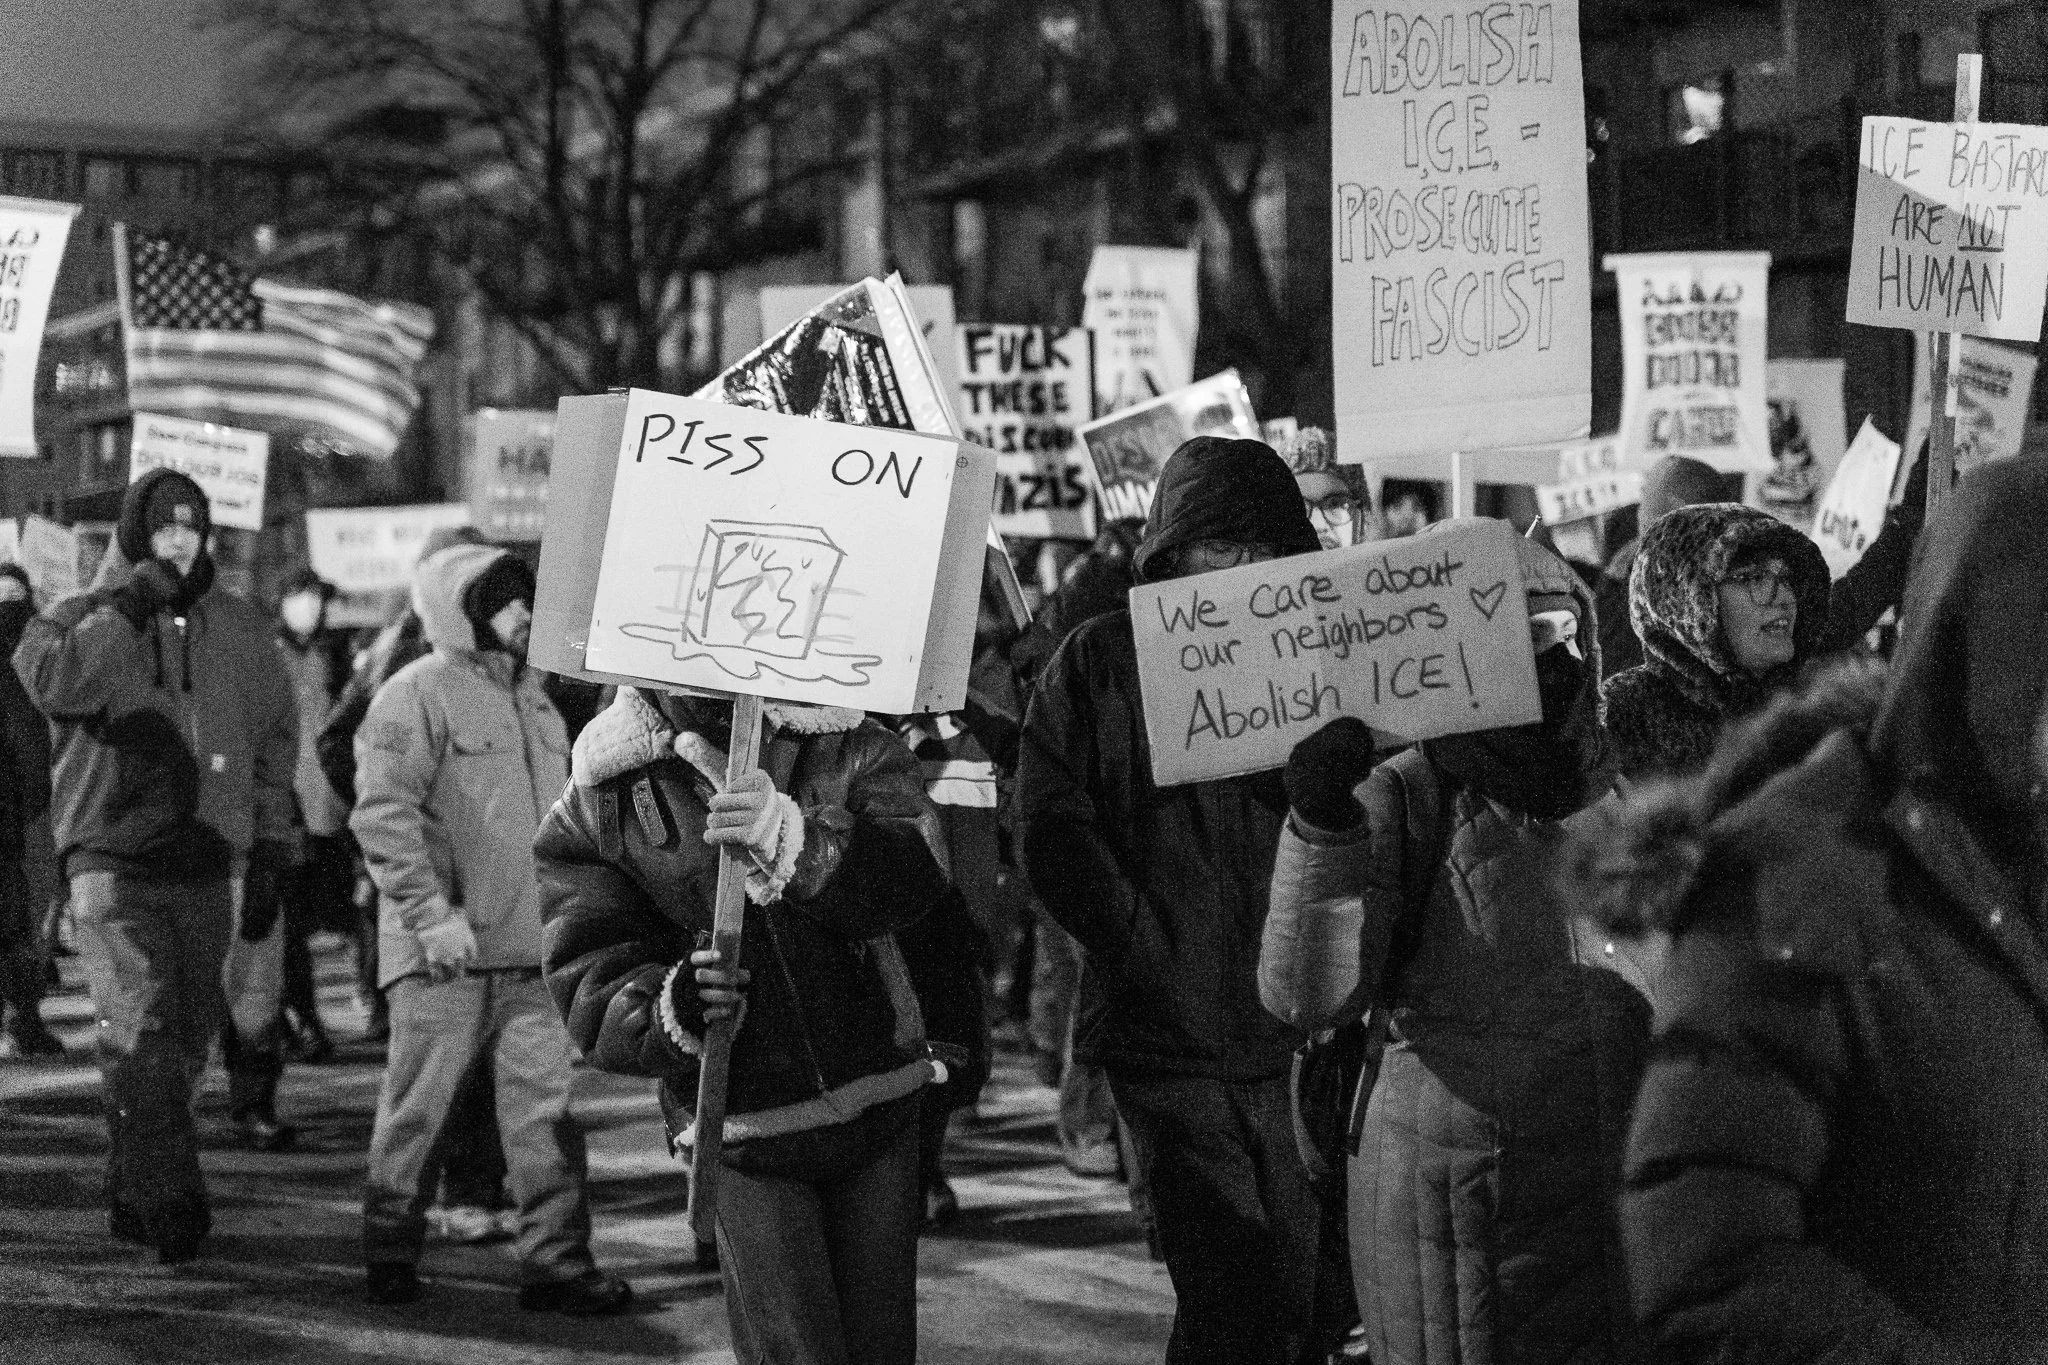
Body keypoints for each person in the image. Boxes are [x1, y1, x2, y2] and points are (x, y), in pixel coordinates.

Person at [1566, 455, 2048, 1358]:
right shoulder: (1792, 864)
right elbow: (1712, 1256)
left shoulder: (2005, 844)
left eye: (1785, 577)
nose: (1777, 597)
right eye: (1748, 577)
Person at [1258, 527, 1650, 1365]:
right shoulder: (1404, 795)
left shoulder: (1611, 787)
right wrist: (1321, 828)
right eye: (1529, 635)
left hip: (1601, 1200)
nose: (1559, 659)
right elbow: (1306, 993)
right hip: (1456, 1214)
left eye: (1569, 632)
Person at [1017, 435, 1324, 1365]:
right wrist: (1141, 937)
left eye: (1261, 545)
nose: (1240, 564)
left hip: (1295, 1032)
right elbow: (1050, 826)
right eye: (1219, 544)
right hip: (1165, 1039)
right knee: (1226, 1285)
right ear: (1172, 550)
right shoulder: (1099, 660)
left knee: (1299, 1296)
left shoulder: (1315, 653)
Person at [536, 685, 955, 1364]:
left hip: (878, 1099)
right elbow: (589, 971)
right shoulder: (603, 790)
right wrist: (674, 1005)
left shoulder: (846, 738)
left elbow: (919, 868)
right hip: (743, 1127)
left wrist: (797, 842)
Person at [13, 470, 299, 1261]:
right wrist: (128, 608)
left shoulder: (239, 626)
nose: (180, 540)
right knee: (138, 1029)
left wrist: (273, 845)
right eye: (165, 526)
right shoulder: (76, 617)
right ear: (136, 533)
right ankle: (171, 1196)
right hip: (112, 861)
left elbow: (275, 740)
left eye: (192, 527)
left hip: (208, 862)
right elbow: (55, 682)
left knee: (189, 1037)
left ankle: (133, 1185)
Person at [351, 542, 629, 1313]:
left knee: (546, 1118)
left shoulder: (537, 700)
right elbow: (382, 813)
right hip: (442, 954)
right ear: (465, 609)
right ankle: (389, 1252)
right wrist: (429, 915)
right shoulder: (414, 692)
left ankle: (558, 1264)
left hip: (530, 949)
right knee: (418, 1113)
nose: (522, 612)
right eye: (504, 600)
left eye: (524, 597)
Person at [274, 568, 352, 1063]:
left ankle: (297, 1016)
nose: (309, 607)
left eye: (315, 598)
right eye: (299, 597)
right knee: (285, 925)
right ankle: (294, 1017)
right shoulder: (268, 654)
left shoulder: (333, 656)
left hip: (328, 807)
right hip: (284, 808)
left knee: (317, 919)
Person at [1593, 456, 1741, 680]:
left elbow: (1606, 655)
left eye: (1644, 494)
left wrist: (1611, 583)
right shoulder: (1635, 555)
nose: (1638, 509)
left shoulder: (1666, 586)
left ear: (1672, 506)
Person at [0, 561, 62, 1058]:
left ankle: (24, 1013)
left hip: (36, 808)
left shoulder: (42, 656)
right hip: (23, 808)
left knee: (29, 919)